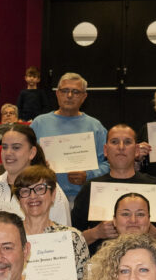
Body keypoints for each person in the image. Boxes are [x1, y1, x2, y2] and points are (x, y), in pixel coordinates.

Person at [72, 123, 156, 249]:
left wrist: (150, 230)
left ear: (137, 150)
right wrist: (96, 233)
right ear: (105, 150)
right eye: (114, 142)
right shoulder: (90, 188)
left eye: (127, 142)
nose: (121, 147)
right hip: (102, 265)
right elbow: (73, 241)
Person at [0, 124, 71, 232]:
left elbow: (63, 238)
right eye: (4, 147)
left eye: (16, 147)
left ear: (32, 152)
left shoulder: (49, 190)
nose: (8, 153)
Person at [14, 165, 89, 280]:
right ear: (19, 199)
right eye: (25, 191)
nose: (33, 196)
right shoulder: (10, 237)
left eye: (40, 189)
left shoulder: (73, 237)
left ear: (53, 195)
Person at [31, 72, 109, 200]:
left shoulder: (95, 127)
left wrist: (88, 175)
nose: (69, 95)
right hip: (43, 196)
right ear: (57, 93)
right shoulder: (39, 123)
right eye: (65, 90)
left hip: (83, 198)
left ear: (84, 97)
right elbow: (25, 159)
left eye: (76, 92)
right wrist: (38, 166)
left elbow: (109, 164)